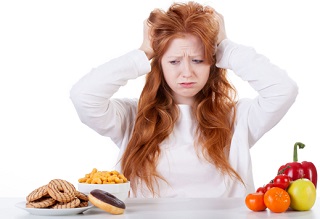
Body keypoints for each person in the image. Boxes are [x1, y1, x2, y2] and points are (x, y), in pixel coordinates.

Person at [70, 1, 298, 198]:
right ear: (159, 65)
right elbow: (83, 96)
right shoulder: (132, 118)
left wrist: (225, 45)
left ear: (213, 62)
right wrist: (144, 51)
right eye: (174, 61)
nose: (187, 73)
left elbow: (284, 90)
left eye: (198, 60)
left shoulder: (238, 119)